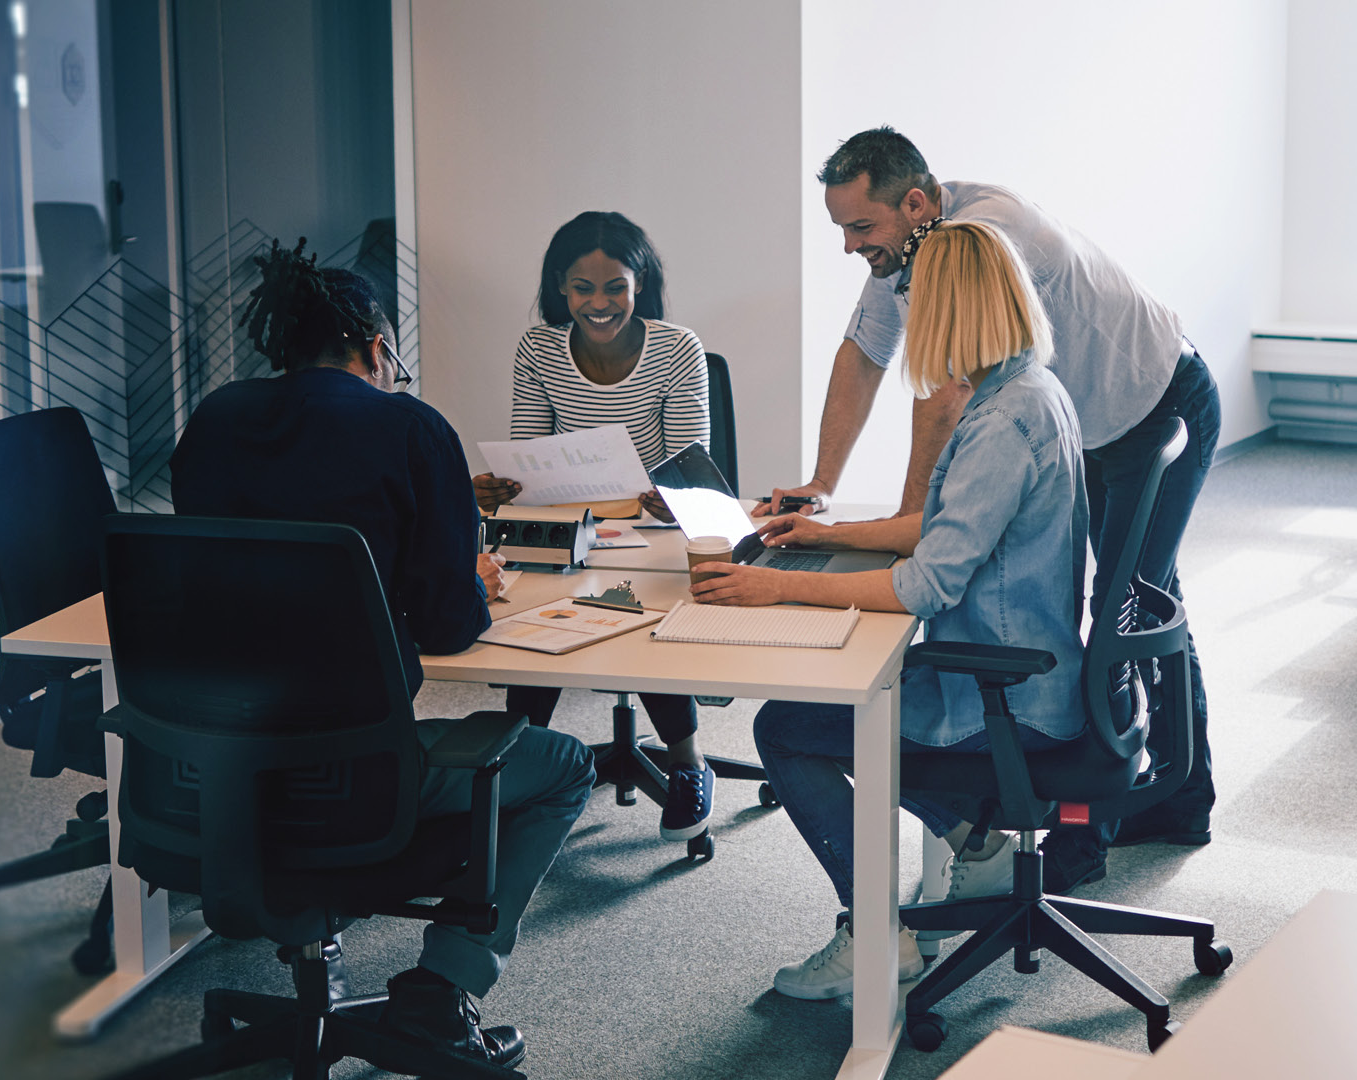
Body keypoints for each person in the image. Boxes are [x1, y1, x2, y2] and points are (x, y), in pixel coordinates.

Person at [170, 238, 595, 1070]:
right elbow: (447, 631)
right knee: (566, 765)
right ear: (378, 349)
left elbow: (233, 570)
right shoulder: (410, 427)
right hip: (357, 784)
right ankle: (444, 989)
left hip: (209, 774)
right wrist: (465, 576)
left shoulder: (215, 418)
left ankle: (303, 930)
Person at [761, 127, 1220, 893]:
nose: (849, 247)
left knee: (1126, 604)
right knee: (1097, 601)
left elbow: (942, 401)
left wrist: (917, 527)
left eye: (860, 228)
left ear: (914, 205)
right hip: (1080, 419)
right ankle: (1093, 803)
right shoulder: (916, 246)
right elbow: (865, 351)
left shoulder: (978, 248)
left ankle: (1124, 816)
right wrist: (822, 485)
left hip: (1156, 399)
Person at [697, 221, 1088, 999]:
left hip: (1007, 694)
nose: (908, 322)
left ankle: (876, 935)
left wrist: (780, 585)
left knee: (787, 728)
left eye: (916, 306)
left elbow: (923, 586)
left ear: (948, 309)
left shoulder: (1001, 423)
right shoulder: (1021, 389)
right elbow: (946, 528)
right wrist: (828, 534)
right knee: (855, 706)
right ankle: (973, 838)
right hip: (1024, 668)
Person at [469, 211, 716, 842]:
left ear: (641, 284)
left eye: (615, 288)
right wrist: (504, 487)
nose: (599, 304)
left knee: (643, 617)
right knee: (530, 625)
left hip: (656, 535)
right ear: (560, 287)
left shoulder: (676, 348)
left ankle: (688, 764)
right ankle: (522, 768)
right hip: (569, 527)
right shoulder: (540, 349)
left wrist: (670, 499)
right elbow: (530, 452)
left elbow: (689, 465)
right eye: (583, 288)